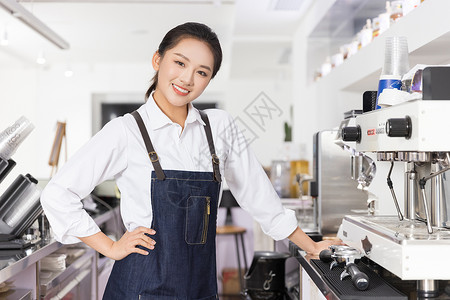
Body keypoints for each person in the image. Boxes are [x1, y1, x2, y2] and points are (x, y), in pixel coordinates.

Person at [41, 22, 342, 299]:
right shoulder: (126, 131)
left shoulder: (219, 128)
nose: (187, 78)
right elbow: (58, 194)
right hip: (140, 288)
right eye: (180, 62)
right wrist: (109, 246)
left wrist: (312, 246)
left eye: (202, 72)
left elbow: (258, 195)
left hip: (199, 287)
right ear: (158, 60)